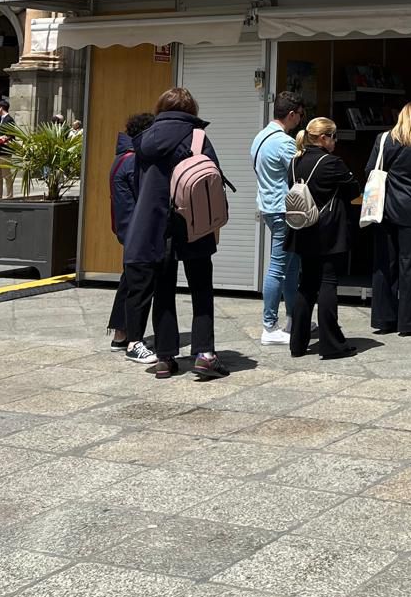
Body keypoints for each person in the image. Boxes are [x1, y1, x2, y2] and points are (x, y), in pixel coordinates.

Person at [126, 87, 230, 380]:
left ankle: (164, 356)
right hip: (193, 221)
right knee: (201, 287)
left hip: (155, 224)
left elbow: (138, 183)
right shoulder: (197, 137)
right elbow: (214, 180)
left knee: (163, 289)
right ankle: (205, 354)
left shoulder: (145, 140)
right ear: (192, 110)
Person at [288, 118, 358, 360]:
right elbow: (353, 189)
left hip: (303, 229)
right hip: (327, 231)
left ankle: (297, 344)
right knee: (328, 283)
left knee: (306, 285)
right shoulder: (331, 163)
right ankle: (331, 343)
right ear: (323, 138)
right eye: (334, 137)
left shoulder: (295, 161)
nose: (336, 142)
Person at [368, 102, 411, 337]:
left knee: (384, 264)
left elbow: (370, 169)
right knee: (409, 265)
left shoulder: (383, 139)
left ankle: (383, 318)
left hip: (383, 209)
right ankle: (408, 322)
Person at [251, 92, 306, 345]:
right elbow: (299, 170)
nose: (301, 121)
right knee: (278, 267)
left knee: (291, 266)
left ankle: (294, 320)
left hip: (268, 207)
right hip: (284, 210)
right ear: (292, 114)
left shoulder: (259, 137)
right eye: (300, 115)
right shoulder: (284, 142)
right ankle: (269, 327)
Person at [106, 112, 154, 354]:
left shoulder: (120, 158)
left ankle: (120, 333)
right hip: (136, 230)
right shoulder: (133, 161)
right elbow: (144, 196)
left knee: (129, 281)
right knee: (138, 286)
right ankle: (131, 338)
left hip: (126, 228)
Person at [0, 96, 18, 199]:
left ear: (1, 108)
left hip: (5, 152)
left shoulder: (9, 119)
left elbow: (11, 136)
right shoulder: (1, 120)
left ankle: (9, 195)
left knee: (6, 175)